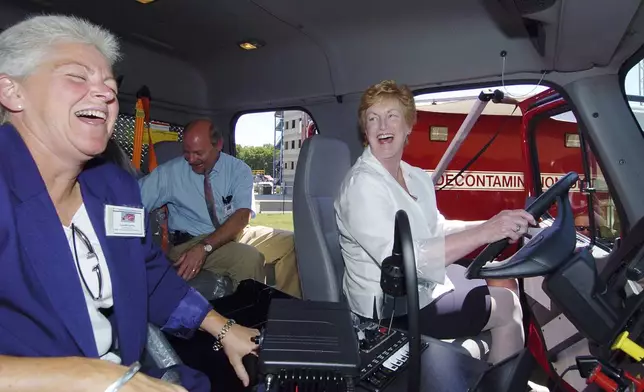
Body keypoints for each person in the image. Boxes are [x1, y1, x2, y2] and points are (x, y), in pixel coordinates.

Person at [0, 15, 258, 391]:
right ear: (11, 91)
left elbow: (148, 275)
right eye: (77, 77)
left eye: (108, 84)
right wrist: (98, 378)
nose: (105, 94)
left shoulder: (114, 185)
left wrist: (224, 328)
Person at [334, 80, 536, 364]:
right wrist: (485, 232)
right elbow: (403, 262)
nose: (382, 126)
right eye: (373, 118)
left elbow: (436, 229)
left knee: (504, 277)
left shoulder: (414, 176)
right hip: (391, 310)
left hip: (424, 288)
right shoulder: (361, 186)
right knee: (506, 305)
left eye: (392, 116)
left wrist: (490, 225)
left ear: (408, 125)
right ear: (365, 131)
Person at [138, 119, 301, 298]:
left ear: (219, 145)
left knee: (293, 243)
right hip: (190, 241)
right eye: (187, 152)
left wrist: (206, 247)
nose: (191, 159)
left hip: (232, 233)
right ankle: (249, 322)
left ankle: (285, 310)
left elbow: (241, 216)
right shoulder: (169, 173)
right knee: (248, 258)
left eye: (198, 153)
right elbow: (131, 200)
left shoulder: (238, 170)